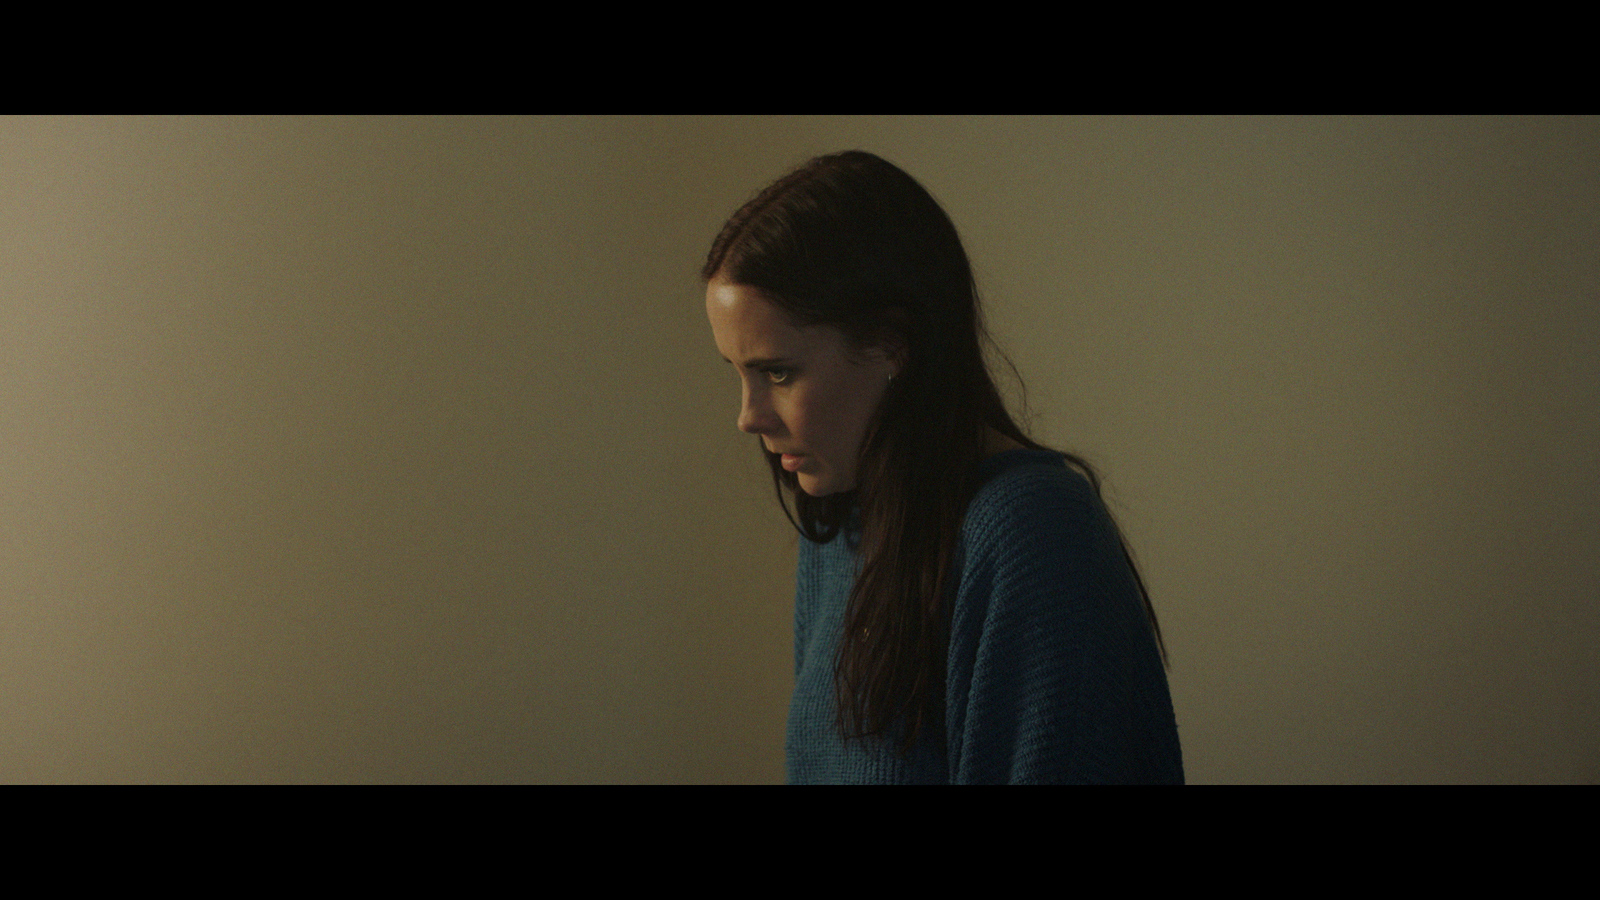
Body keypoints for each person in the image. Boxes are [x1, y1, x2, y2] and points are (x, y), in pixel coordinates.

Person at [703, 150, 1183, 784]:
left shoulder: (1034, 533)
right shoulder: (844, 524)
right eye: (738, 374)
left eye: (778, 372)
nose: (748, 416)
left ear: (893, 345)